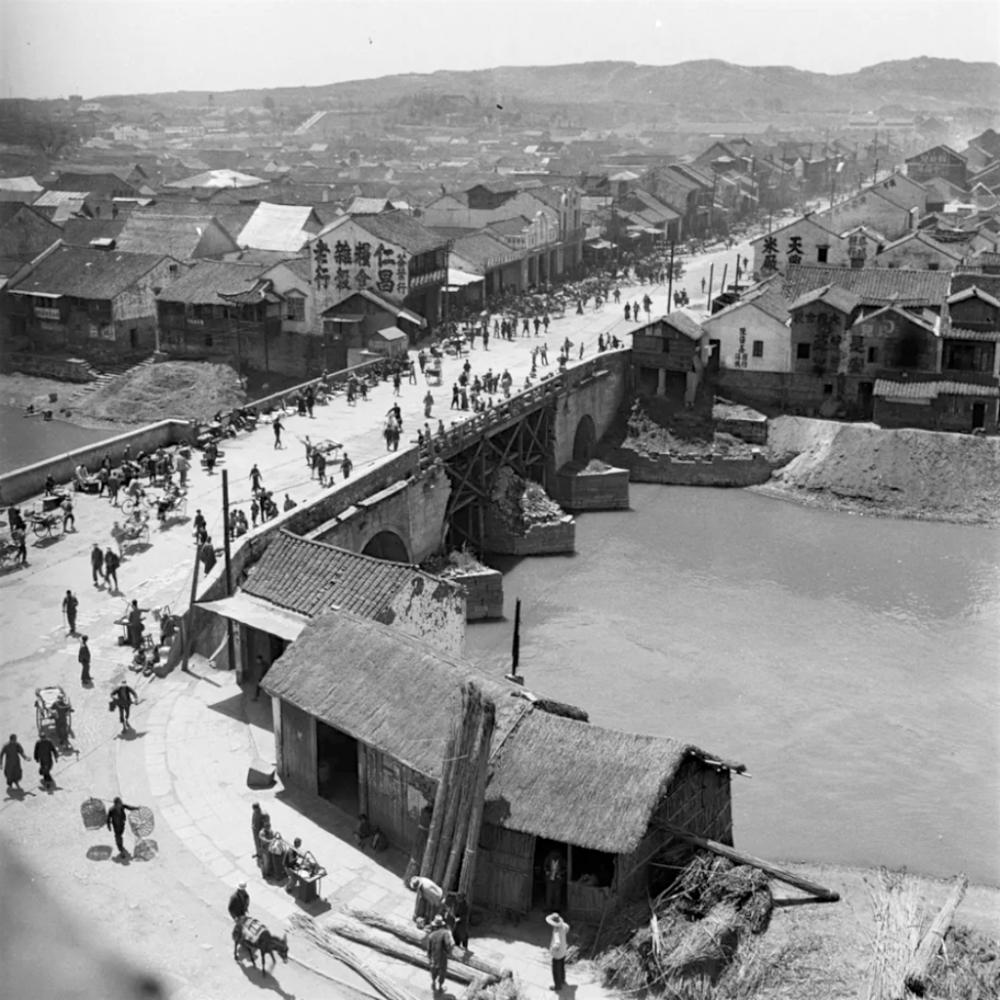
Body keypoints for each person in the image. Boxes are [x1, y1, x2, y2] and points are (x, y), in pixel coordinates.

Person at [425, 914, 454, 992]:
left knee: (434, 970)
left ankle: (433, 983)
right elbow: (448, 944)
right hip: (442, 956)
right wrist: (449, 952)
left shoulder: (431, 935)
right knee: (442, 971)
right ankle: (440, 987)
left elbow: (429, 948)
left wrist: (429, 956)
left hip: (434, 956)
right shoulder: (445, 933)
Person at [546, 912, 570, 990]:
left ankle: (557, 986)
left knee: (556, 970)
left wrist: (553, 949)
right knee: (562, 966)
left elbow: (557, 943)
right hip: (564, 950)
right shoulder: (564, 926)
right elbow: (567, 927)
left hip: (558, 954)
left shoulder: (556, 931)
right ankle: (562, 980)